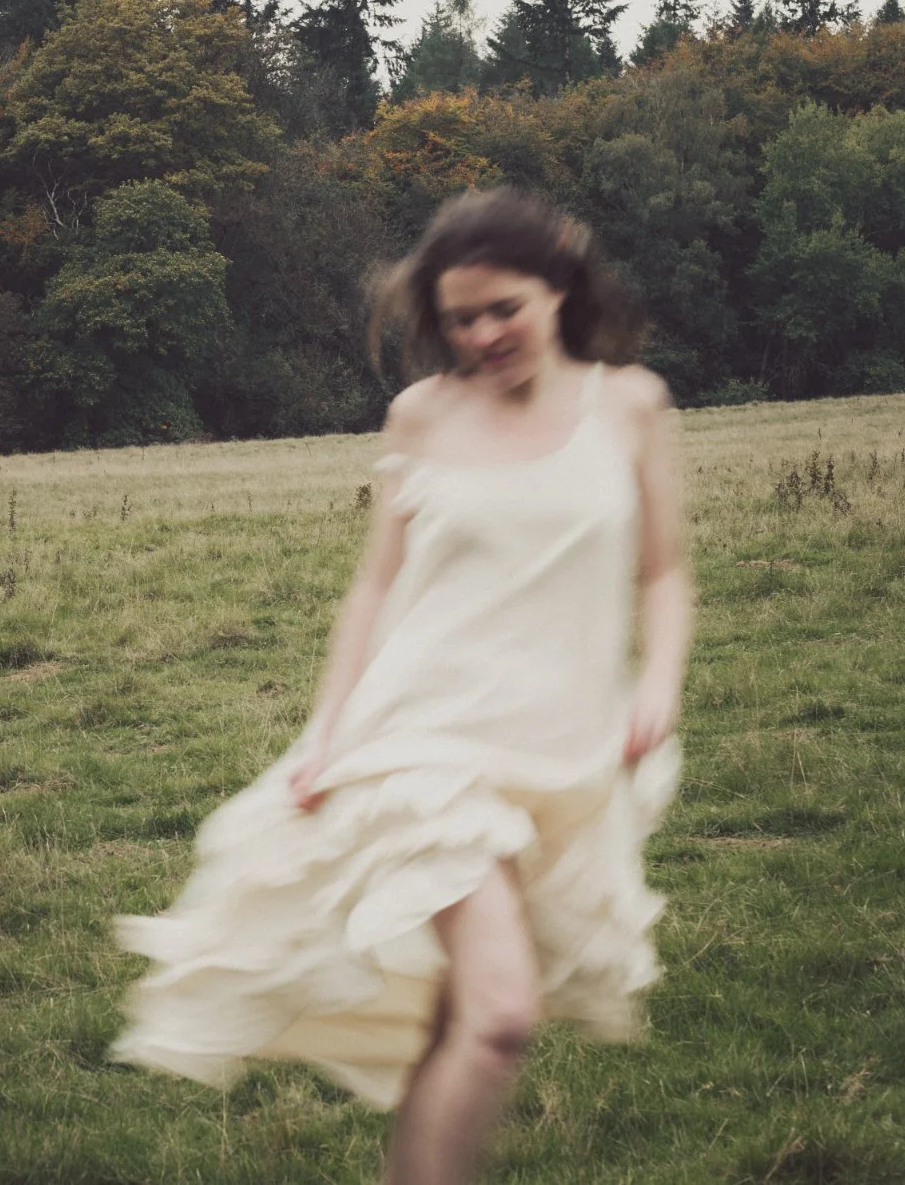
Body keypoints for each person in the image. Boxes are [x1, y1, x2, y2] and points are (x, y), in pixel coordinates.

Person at [112, 188, 694, 1185]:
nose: (481, 335)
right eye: (459, 318)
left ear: (557, 287)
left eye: (502, 309)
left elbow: (665, 569)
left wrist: (660, 683)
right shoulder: (420, 415)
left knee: (457, 1018)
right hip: (425, 746)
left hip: (562, 752)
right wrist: (326, 730)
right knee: (501, 1017)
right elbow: (373, 586)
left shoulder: (630, 403)